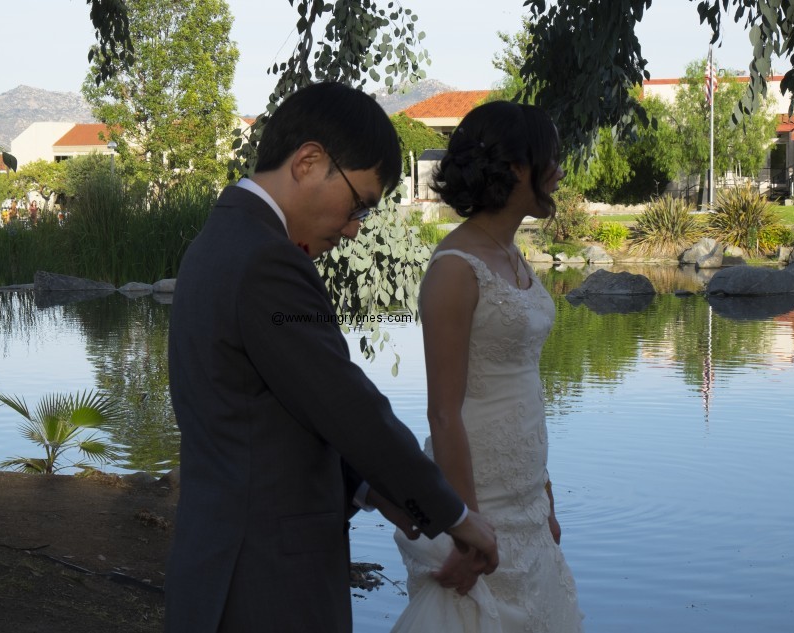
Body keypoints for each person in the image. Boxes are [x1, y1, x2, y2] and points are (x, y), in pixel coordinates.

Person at [165, 82, 499, 633]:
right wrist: (455, 516)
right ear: (309, 161)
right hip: (264, 582)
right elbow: (345, 404)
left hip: (223, 565)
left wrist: (370, 488)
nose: (351, 229)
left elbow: (269, 415)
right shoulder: (267, 262)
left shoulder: (220, 240)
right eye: (358, 204)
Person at [391, 101, 584, 632]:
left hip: (525, 491)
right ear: (519, 169)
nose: (560, 172)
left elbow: (523, 387)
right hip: (477, 495)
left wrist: (545, 496)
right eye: (553, 160)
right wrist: (466, 526)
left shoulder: (514, 256)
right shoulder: (455, 269)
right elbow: (443, 414)